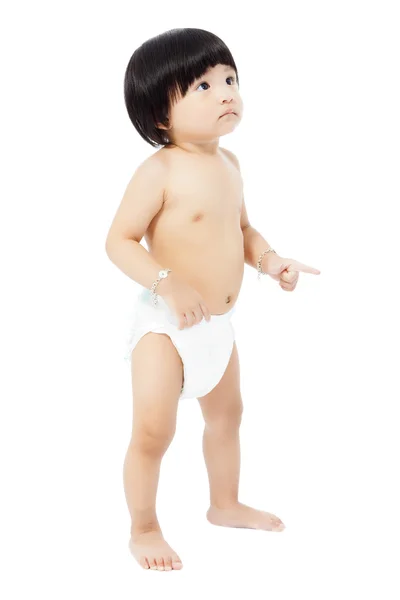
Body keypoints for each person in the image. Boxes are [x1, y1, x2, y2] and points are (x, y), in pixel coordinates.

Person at [105, 27, 321, 572]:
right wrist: (166, 282)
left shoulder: (231, 166)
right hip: (166, 327)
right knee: (154, 431)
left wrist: (270, 261)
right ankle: (144, 527)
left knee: (228, 416)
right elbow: (118, 240)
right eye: (202, 86)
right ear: (160, 116)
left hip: (217, 326)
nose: (226, 92)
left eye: (229, 79)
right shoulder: (160, 170)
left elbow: (243, 229)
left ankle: (224, 503)